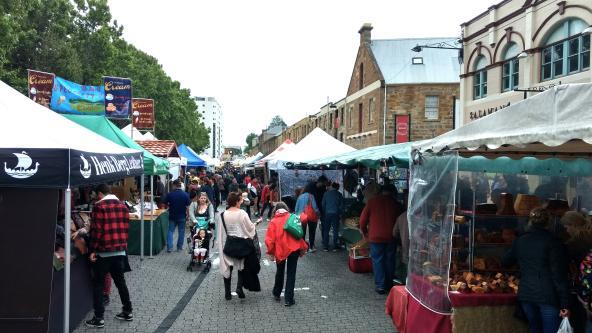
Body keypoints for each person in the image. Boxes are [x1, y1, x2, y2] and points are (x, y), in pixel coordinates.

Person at [503, 208, 570, 333]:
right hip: (548, 296)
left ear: (530, 221)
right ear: (549, 222)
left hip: (526, 294)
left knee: (535, 329)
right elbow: (559, 275)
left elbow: (505, 262)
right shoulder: (553, 242)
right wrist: (565, 303)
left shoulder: (521, 240)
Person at [85, 184, 133, 328]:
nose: (95, 197)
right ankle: (127, 311)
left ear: (100, 193)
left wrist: (92, 250)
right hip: (119, 251)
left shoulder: (99, 207)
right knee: (121, 283)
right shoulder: (123, 206)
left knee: (98, 285)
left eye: (96, 195)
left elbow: (97, 231)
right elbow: (126, 228)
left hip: (103, 252)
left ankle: (99, 318)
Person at [359, 184, 403, 294]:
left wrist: (364, 232)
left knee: (378, 261)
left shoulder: (372, 202)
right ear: (393, 192)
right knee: (390, 260)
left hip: (375, 237)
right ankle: (389, 284)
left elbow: (362, 220)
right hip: (391, 237)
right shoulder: (396, 204)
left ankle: (380, 286)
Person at [265, 202, 308, 307]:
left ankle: (277, 293)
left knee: (280, 271)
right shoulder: (292, 218)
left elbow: (270, 240)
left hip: (280, 250)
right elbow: (299, 233)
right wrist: (303, 247)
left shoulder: (273, 221)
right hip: (294, 249)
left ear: (276, 210)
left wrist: (271, 252)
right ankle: (289, 299)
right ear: (286, 209)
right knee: (291, 273)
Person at [217, 192, 257, 300]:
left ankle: (227, 293)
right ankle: (239, 287)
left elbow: (220, 233)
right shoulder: (242, 213)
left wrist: (221, 245)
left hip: (228, 245)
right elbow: (249, 228)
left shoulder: (222, 215)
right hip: (241, 245)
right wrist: (256, 224)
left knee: (227, 267)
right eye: (240, 200)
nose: (241, 202)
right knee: (241, 266)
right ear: (236, 201)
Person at [164, 180, 191, 252]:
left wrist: (169, 206)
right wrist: (188, 216)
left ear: (175, 185)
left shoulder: (170, 194)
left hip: (172, 216)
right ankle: (179, 248)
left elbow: (165, 203)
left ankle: (169, 247)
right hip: (182, 216)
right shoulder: (186, 194)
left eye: (172, 185)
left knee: (170, 231)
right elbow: (188, 207)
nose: (172, 187)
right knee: (181, 232)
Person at [295, 182, 321, 253]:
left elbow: (296, 209)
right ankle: (311, 247)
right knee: (312, 232)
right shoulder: (311, 196)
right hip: (310, 217)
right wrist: (318, 213)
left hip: (301, 217)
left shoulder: (300, 197)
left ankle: (303, 248)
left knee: (302, 232)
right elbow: (315, 207)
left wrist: (297, 216)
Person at [321, 182, 344, 252]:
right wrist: (339, 212)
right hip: (335, 214)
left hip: (327, 214)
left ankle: (325, 246)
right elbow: (341, 205)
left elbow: (323, 204)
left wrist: (325, 212)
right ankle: (335, 246)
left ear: (332, 186)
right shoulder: (339, 194)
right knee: (335, 230)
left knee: (326, 230)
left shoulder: (326, 194)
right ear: (337, 187)